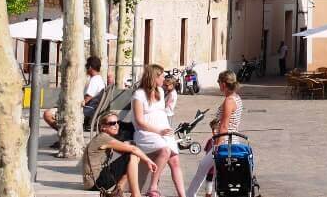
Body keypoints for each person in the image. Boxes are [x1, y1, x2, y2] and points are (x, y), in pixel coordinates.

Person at [131, 64, 187, 197]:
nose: (164, 79)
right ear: (154, 77)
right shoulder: (138, 95)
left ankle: (183, 195)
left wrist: (166, 129)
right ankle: (153, 186)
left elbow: (161, 114)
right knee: (165, 150)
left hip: (163, 130)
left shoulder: (160, 92)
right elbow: (139, 121)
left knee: (175, 160)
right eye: (161, 76)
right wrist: (158, 131)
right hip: (145, 132)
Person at [188, 70, 244, 197]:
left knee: (207, 170)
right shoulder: (236, 98)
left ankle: (190, 195)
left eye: (219, 82)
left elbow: (224, 126)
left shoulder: (229, 100)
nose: (219, 85)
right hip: (231, 139)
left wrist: (218, 146)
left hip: (225, 141)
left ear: (224, 84)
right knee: (212, 172)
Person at [81, 110, 157, 195]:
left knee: (132, 157)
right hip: (96, 182)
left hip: (93, 181)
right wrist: (148, 161)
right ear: (103, 127)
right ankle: (136, 194)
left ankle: (118, 189)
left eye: (117, 122)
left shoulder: (104, 138)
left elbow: (125, 152)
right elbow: (133, 150)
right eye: (112, 123)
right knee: (132, 156)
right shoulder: (103, 137)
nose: (116, 125)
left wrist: (127, 145)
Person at [44, 55, 106, 142]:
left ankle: (65, 135)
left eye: (86, 66)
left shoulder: (94, 81)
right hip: (91, 110)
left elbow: (86, 100)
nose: (85, 69)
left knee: (47, 114)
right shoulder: (100, 80)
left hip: (84, 111)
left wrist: (72, 103)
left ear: (90, 67)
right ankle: (65, 134)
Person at [202, 119, 219, 197]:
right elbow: (206, 153)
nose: (214, 131)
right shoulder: (210, 141)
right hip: (210, 170)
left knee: (218, 188)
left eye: (216, 129)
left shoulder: (222, 142)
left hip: (219, 169)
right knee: (208, 187)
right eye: (213, 129)